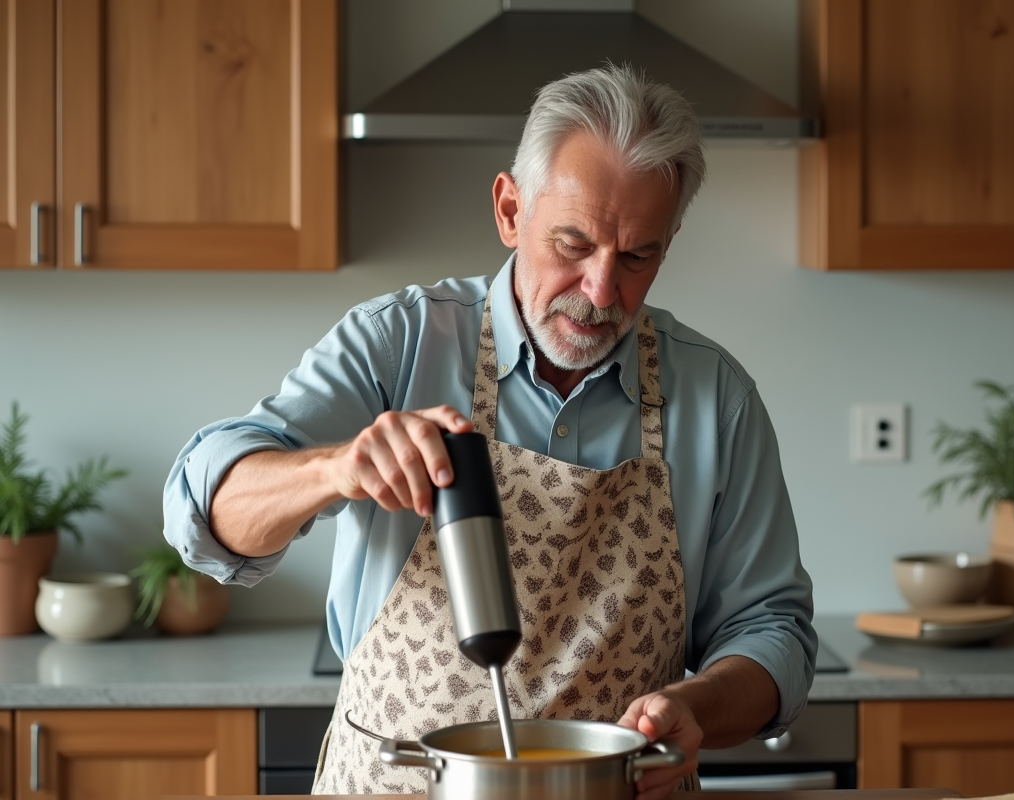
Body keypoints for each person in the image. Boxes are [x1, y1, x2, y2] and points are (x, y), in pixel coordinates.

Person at [163, 63, 815, 799]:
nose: (602, 292)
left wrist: (695, 706)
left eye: (637, 256)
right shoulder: (397, 343)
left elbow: (775, 634)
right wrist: (335, 468)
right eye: (573, 244)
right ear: (510, 210)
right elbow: (203, 510)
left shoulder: (715, 398)